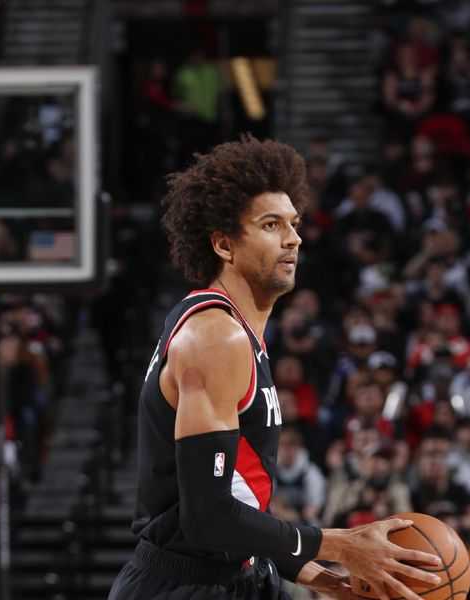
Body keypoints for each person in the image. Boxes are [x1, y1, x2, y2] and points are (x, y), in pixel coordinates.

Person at [108, 135, 442, 600]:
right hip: (185, 586)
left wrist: (333, 582)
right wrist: (341, 545)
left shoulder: (241, 331)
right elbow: (206, 517)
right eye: (271, 224)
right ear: (224, 245)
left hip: (241, 573)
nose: (294, 238)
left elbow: (238, 513)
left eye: (294, 222)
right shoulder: (215, 336)